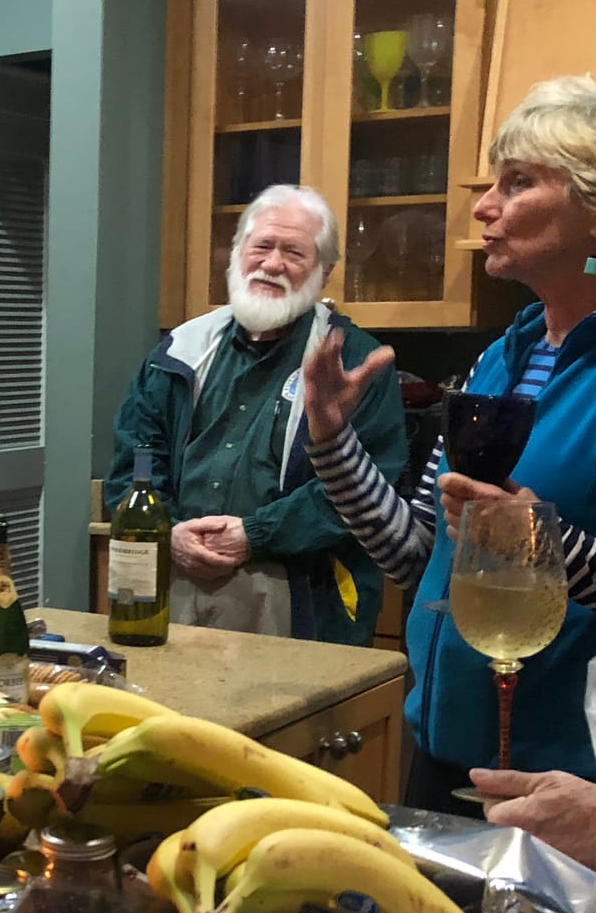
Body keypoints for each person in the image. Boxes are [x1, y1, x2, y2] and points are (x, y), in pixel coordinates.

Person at [304, 76, 596, 811]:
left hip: (587, 792)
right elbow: (421, 555)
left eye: (517, 183)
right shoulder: (504, 359)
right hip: (448, 758)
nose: (483, 206)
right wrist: (332, 440)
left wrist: (543, 545)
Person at [104, 184, 408, 644]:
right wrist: (170, 532)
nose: (272, 264)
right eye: (262, 246)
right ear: (236, 254)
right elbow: (132, 467)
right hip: (174, 577)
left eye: (294, 253)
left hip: (299, 593)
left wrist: (256, 534)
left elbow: (368, 494)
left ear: (324, 272)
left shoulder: (352, 363)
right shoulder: (177, 352)